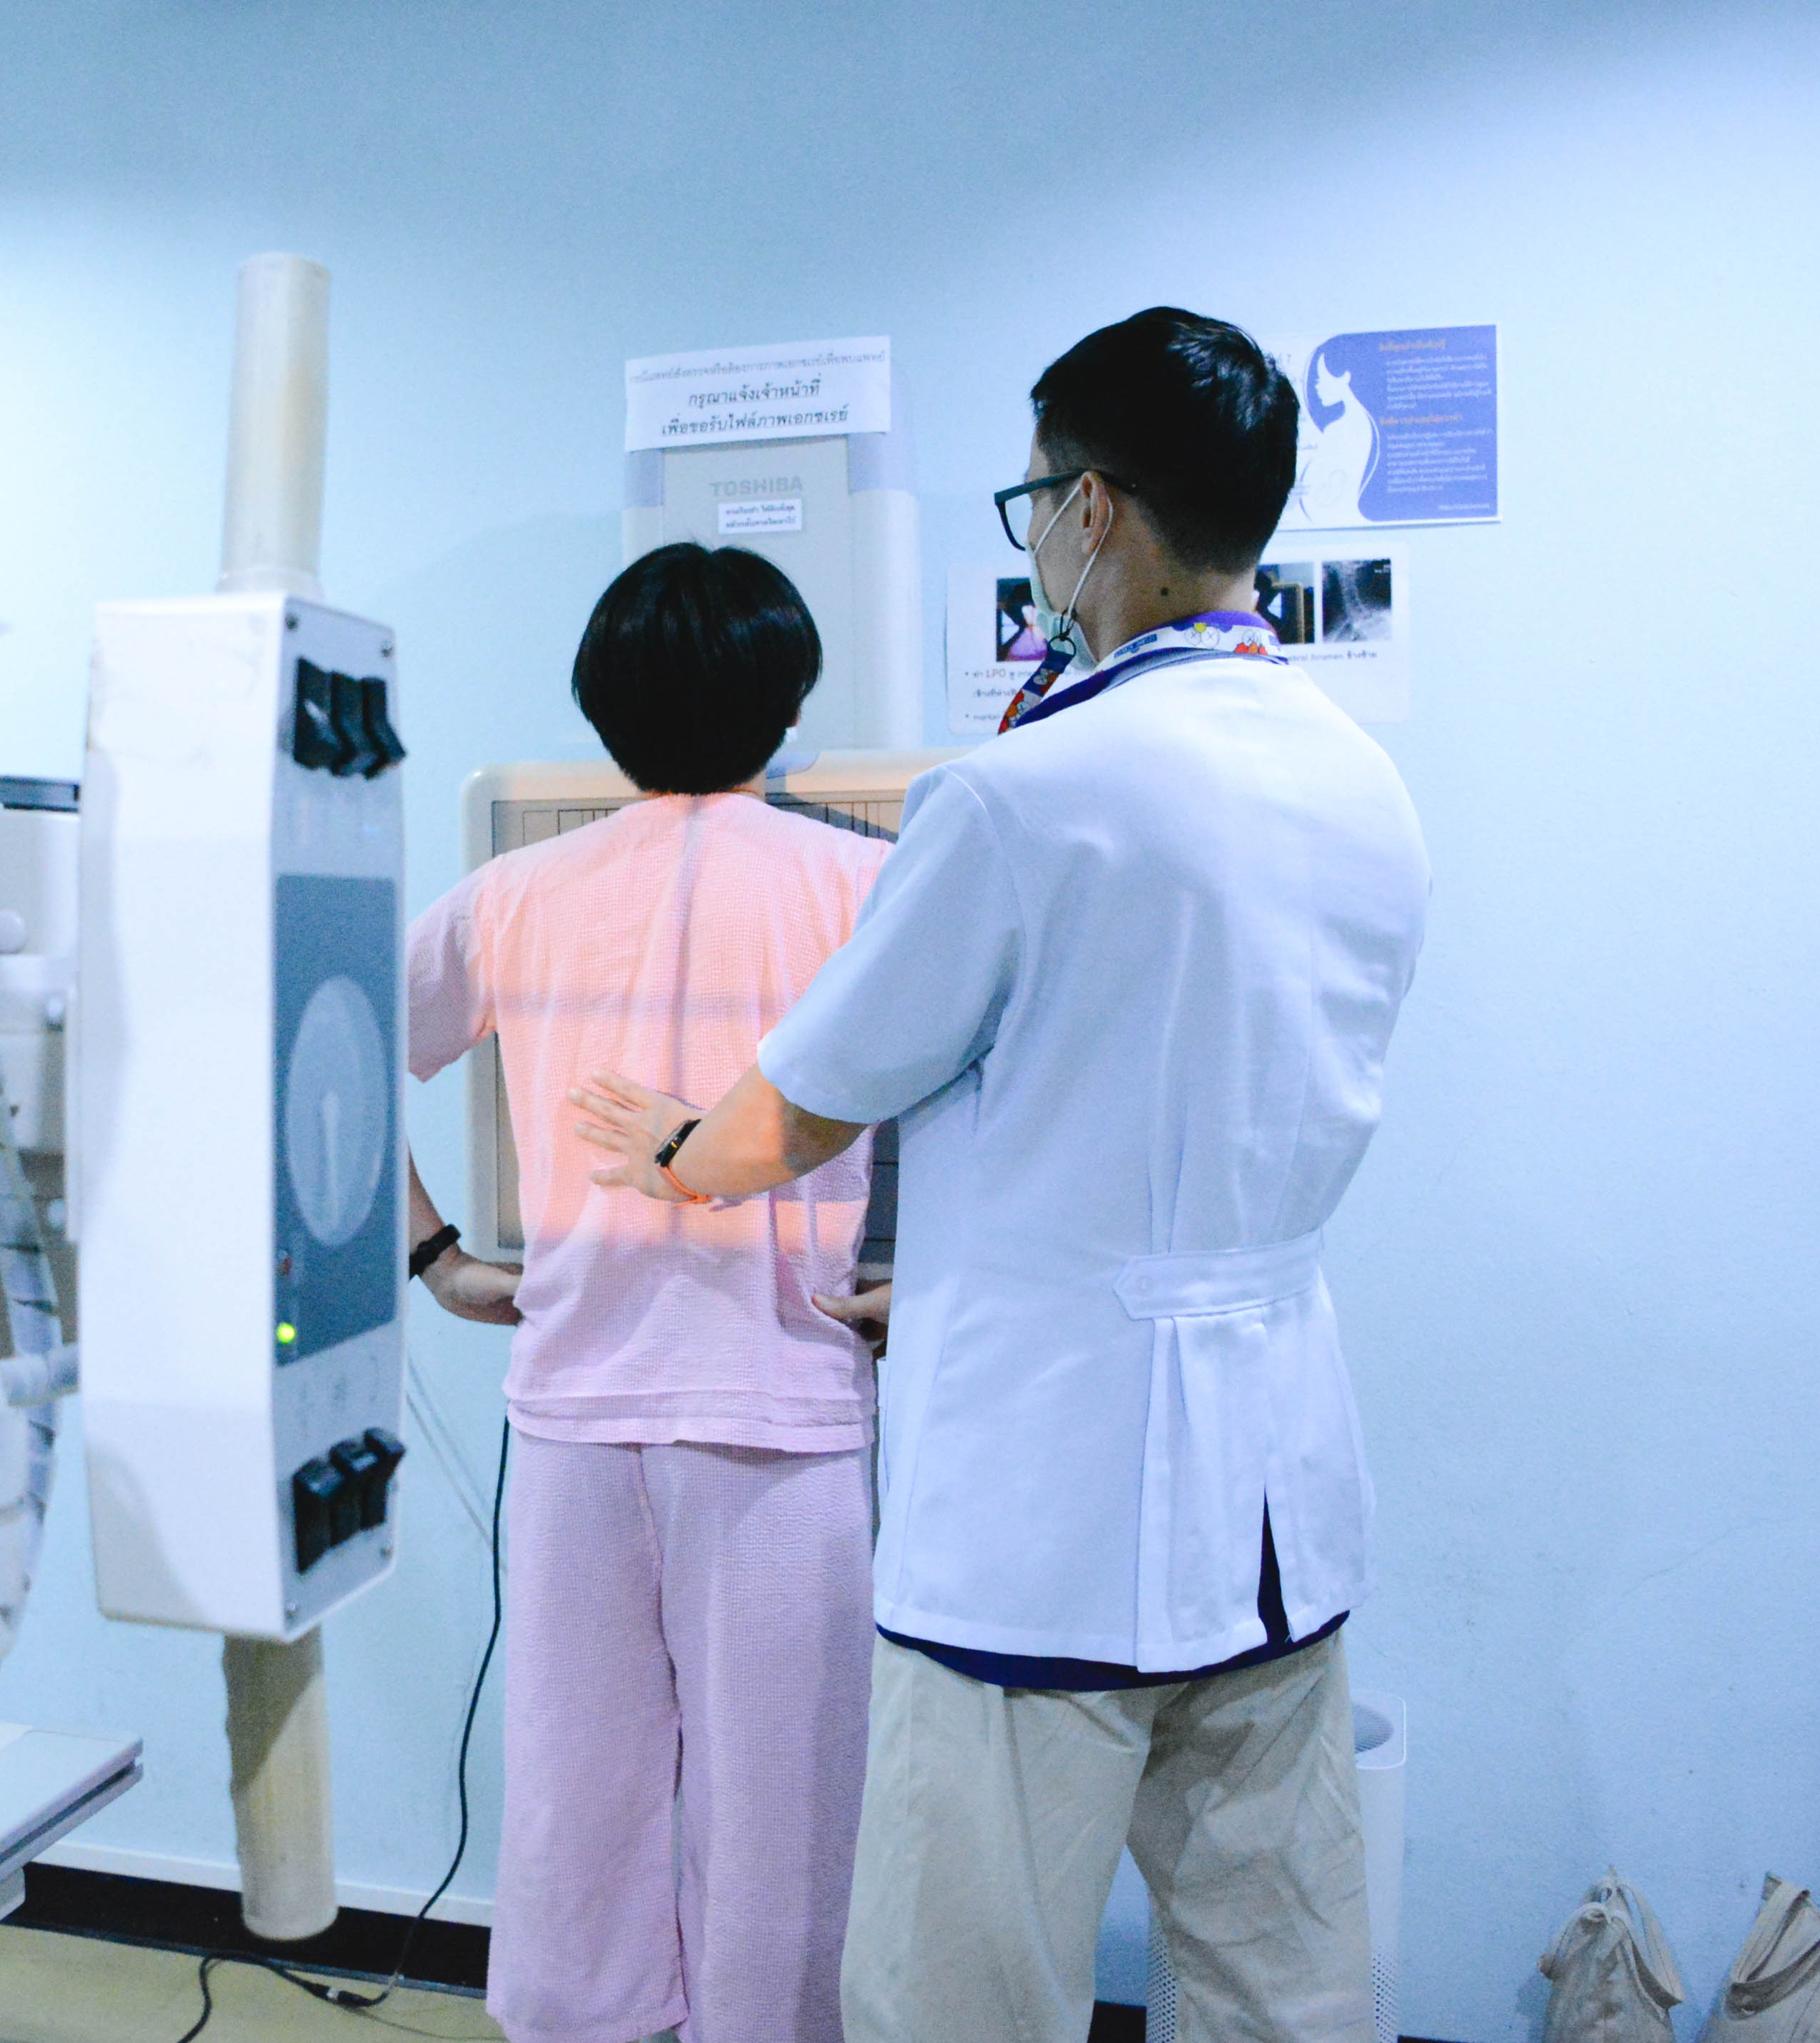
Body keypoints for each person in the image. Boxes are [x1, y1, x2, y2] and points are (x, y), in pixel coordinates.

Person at [573, 309, 1431, 2043]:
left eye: (1035, 498)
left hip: (1047, 1517)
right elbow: (1166, 1108)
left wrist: (669, 1144)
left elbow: (791, 1115)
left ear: (1092, 508)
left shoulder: (1024, 794)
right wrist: (979, 1261)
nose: (1036, 532)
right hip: (1273, 1503)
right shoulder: (1360, 780)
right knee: (1281, 1981)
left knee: (959, 1993)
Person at [401, 543, 891, 2043]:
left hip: (576, 1408)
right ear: (788, 702)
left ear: (599, 709)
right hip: (780, 1411)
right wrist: (928, 1286)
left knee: (575, 1799)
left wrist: (434, 1257)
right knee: (784, 1819)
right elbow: (1010, 1112)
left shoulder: (510, 894)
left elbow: (309, 1048)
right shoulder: (867, 888)